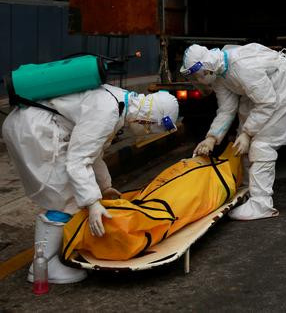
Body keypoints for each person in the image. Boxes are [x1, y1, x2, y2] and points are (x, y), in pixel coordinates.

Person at [1, 87, 179, 284]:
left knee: (69, 193)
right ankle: (44, 265)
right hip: (34, 131)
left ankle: (49, 258)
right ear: (149, 118)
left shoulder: (118, 102)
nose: (145, 131)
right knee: (64, 198)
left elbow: (93, 153)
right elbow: (79, 160)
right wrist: (93, 202)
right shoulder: (108, 112)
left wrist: (105, 187)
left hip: (32, 125)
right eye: (149, 128)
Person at [182, 43, 286, 221]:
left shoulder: (242, 66)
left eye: (196, 76)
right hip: (265, 92)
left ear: (206, 69)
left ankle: (261, 204)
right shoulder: (219, 73)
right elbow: (227, 109)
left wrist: (248, 133)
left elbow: (267, 102)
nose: (196, 80)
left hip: (284, 87)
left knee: (262, 142)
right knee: (242, 139)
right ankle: (249, 189)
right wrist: (211, 138)